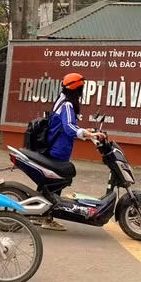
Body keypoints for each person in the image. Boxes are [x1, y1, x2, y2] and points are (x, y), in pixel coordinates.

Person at [44, 72, 104, 231]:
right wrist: (88, 134)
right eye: (82, 88)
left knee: (49, 184)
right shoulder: (68, 105)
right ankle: (47, 218)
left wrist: (86, 130)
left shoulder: (61, 99)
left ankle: (42, 215)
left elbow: (68, 125)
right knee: (56, 184)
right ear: (77, 89)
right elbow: (68, 127)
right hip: (59, 150)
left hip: (56, 147)